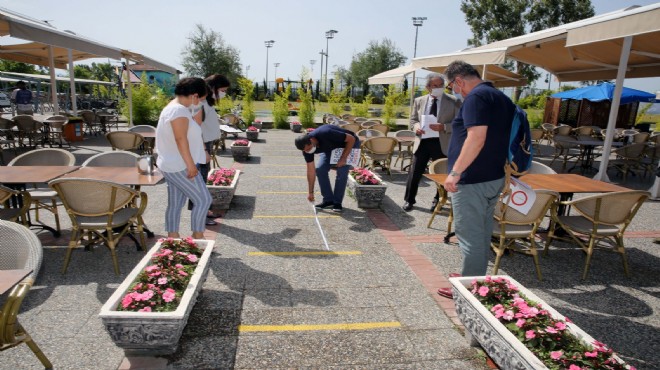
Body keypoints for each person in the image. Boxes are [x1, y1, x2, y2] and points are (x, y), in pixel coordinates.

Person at [436, 61, 515, 299]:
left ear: (458, 80)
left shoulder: (476, 98)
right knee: (481, 232)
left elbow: (476, 138)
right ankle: (474, 278)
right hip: (493, 175)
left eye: (451, 86)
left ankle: (469, 291)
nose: (453, 91)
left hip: (471, 179)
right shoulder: (499, 97)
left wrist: (455, 172)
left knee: (469, 236)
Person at [155, 77, 212, 240]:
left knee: (176, 203)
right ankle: (198, 237)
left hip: (171, 163)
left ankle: (173, 238)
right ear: (194, 96)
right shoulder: (178, 111)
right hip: (180, 165)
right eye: (201, 99)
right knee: (203, 199)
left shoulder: (174, 108)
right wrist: (191, 166)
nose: (201, 102)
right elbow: (181, 139)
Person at [402, 73, 461, 212]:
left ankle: (439, 199)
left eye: (441, 85)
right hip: (422, 142)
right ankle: (409, 200)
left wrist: (444, 127)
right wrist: (416, 127)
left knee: (441, 174)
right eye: (435, 85)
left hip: (442, 142)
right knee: (415, 172)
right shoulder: (420, 100)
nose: (439, 88)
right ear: (428, 87)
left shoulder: (454, 101)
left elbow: (460, 124)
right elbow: (413, 120)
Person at [187, 74, 230, 226]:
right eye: (223, 90)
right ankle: (200, 216)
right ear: (213, 88)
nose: (224, 93)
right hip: (201, 145)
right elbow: (196, 128)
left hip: (206, 144)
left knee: (202, 180)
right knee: (199, 182)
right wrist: (204, 150)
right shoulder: (200, 103)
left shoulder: (206, 102)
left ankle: (205, 211)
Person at [294, 125, 359, 213]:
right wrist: (311, 192)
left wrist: (343, 158)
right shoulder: (306, 150)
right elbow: (311, 171)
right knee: (320, 170)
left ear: (311, 140)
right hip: (330, 148)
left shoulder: (326, 133)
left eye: (309, 148)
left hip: (349, 144)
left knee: (341, 171)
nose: (309, 151)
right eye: (306, 150)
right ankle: (328, 200)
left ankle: (337, 202)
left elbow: (351, 139)